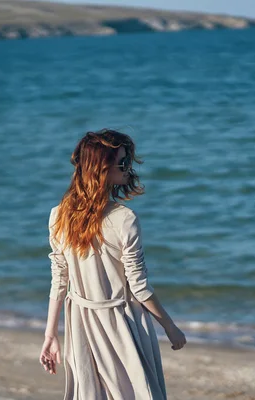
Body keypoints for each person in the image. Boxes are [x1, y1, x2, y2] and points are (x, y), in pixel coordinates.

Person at [39, 128, 186, 400]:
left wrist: (50, 335)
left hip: (80, 323)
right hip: (122, 324)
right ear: (101, 169)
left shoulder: (58, 215)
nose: (128, 168)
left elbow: (59, 280)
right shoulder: (124, 219)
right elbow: (139, 287)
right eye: (122, 163)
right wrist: (170, 327)